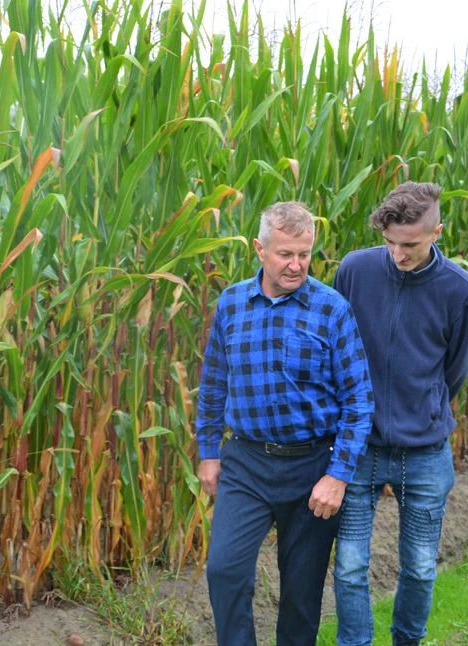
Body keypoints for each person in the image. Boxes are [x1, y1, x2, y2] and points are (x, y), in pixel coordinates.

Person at [196, 201, 375, 646]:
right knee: (225, 571)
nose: (296, 265)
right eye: (284, 254)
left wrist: (338, 475)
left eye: (304, 254)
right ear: (260, 249)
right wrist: (208, 452)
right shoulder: (232, 303)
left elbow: (359, 400)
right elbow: (214, 382)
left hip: (311, 468)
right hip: (246, 463)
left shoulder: (332, 309)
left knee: (301, 594)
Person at [332, 181, 468, 646]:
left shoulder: (461, 291)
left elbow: (454, 371)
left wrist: (424, 409)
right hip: (359, 447)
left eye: (411, 244)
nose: (398, 254)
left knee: (419, 567)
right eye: (390, 242)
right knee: (351, 565)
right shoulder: (355, 270)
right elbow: (338, 347)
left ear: (437, 232)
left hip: (425, 452)